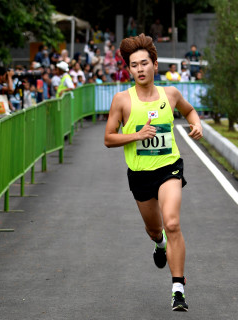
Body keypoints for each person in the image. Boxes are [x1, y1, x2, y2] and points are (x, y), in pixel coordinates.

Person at [104, 33, 203, 312]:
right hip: (140, 174)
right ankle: (159, 244)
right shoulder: (122, 100)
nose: (140, 69)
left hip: (169, 167)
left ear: (155, 65)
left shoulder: (170, 94)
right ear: (129, 69)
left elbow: (190, 111)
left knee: (172, 223)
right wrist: (135, 135)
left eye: (144, 63)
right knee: (154, 228)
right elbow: (109, 138)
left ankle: (178, 289)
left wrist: (197, 125)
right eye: (134, 65)